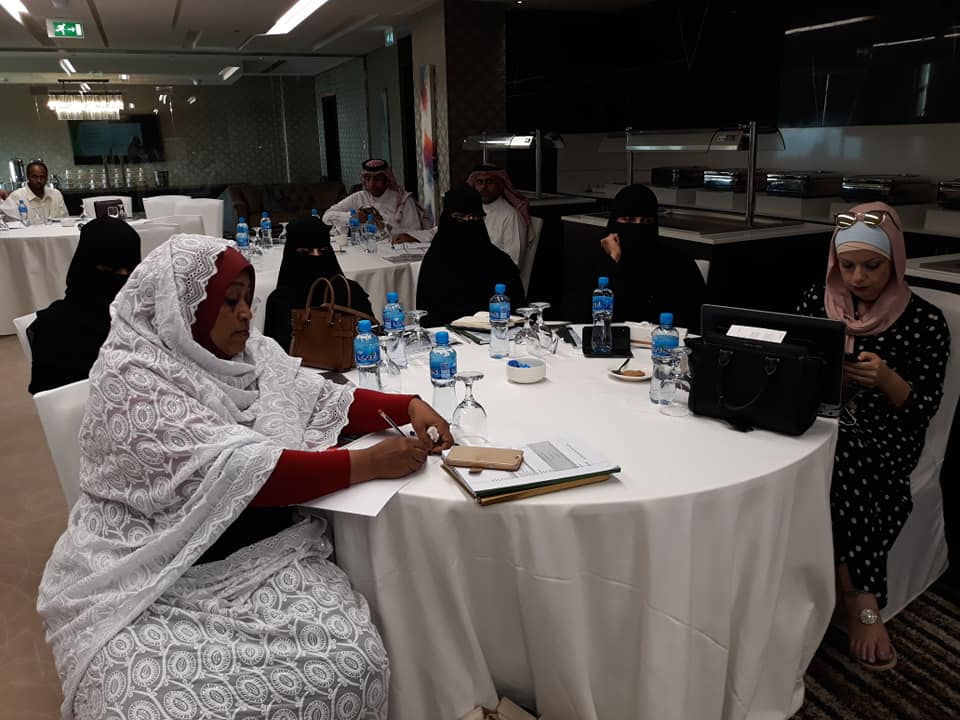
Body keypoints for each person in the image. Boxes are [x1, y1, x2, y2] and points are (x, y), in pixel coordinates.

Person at [38, 234, 454, 720]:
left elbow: (318, 396)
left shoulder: (250, 354)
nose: (244, 314)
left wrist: (406, 406)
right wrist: (366, 464)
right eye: (228, 302)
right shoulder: (131, 376)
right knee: (145, 706)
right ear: (182, 309)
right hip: (149, 570)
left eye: (248, 300)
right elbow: (242, 473)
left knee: (352, 662)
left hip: (262, 555)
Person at [798, 201, 950, 670]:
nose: (858, 278)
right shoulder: (817, 302)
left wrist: (886, 379)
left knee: (840, 453)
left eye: (872, 266)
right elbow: (791, 365)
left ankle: (861, 597)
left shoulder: (925, 321)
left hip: (887, 434)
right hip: (818, 416)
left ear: (895, 262)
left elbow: (922, 410)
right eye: (847, 266)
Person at [27, 217, 141, 394]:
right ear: (87, 263)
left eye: (131, 269)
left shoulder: (144, 311)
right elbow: (54, 398)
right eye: (113, 269)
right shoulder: (53, 327)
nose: (123, 277)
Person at [592, 183, 704, 331]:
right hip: (610, 341)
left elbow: (696, 319)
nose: (638, 227)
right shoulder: (595, 263)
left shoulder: (678, 263)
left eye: (646, 221)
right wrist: (613, 260)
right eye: (629, 220)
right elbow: (586, 317)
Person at [416, 184, 525, 326]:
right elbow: (427, 317)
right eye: (460, 217)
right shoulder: (434, 263)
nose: (468, 222)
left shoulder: (501, 264)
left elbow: (518, 314)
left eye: (474, 217)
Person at [264, 216, 375, 352]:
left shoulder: (351, 292)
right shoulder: (280, 301)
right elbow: (273, 354)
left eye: (323, 251)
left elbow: (373, 339)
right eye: (306, 252)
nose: (316, 256)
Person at [322, 158, 430, 237]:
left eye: (377, 179)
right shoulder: (359, 197)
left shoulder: (403, 200)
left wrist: (384, 226)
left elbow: (417, 233)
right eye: (368, 179)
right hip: (366, 249)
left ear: (386, 180)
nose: (372, 184)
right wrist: (351, 216)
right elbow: (326, 217)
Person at [465, 163, 531, 267]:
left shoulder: (510, 216)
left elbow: (513, 263)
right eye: (479, 182)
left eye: (489, 181)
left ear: (500, 185)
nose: (483, 186)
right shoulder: (471, 210)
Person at [0, 161, 68, 221]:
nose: (38, 180)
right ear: (28, 176)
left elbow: (65, 219)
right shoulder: (16, 196)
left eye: (42, 177)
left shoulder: (56, 194)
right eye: (34, 177)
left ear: (47, 177)